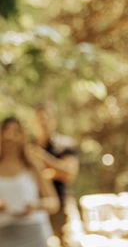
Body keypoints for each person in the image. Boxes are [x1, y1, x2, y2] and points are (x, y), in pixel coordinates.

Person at [0, 116, 59, 247]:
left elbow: (54, 203)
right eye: (6, 131)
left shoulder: (32, 166)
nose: (10, 136)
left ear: (22, 136)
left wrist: (36, 206)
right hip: (3, 234)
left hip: (34, 233)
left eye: (15, 132)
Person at [29, 104, 79, 244]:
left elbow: (69, 172)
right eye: (39, 119)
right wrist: (53, 172)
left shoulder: (65, 145)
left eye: (47, 118)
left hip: (63, 206)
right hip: (37, 208)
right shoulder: (27, 148)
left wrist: (43, 158)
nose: (43, 123)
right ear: (33, 123)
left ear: (53, 120)